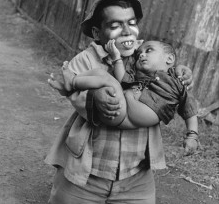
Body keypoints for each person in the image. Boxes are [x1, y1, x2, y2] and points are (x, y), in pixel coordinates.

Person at [45, 0, 196, 204]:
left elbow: (166, 68)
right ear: (96, 32)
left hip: (136, 149)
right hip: (97, 143)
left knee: (136, 193)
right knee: (77, 187)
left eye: (132, 23)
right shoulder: (86, 59)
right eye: (115, 25)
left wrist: (182, 71)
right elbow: (74, 94)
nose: (127, 32)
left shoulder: (141, 52)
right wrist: (93, 98)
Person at [49, 39, 198, 134]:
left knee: (108, 80)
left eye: (149, 50)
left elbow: (189, 109)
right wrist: (117, 59)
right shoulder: (139, 75)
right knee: (103, 76)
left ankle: (72, 84)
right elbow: (121, 79)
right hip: (119, 110)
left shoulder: (178, 81)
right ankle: (72, 83)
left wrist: (193, 134)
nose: (141, 55)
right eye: (140, 53)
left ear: (170, 58)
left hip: (125, 117)